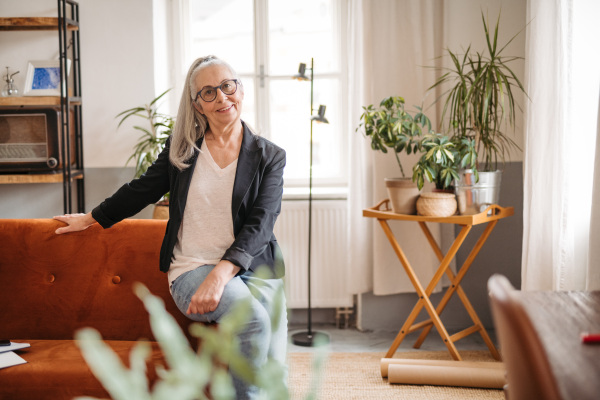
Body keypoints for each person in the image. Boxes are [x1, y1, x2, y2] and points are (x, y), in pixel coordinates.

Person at [54, 55, 288, 399]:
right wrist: (91, 218)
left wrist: (222, 274)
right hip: (192, 268)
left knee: (273, 367)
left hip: (252, 269)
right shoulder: (184, 150)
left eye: (227, 86)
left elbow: (262, 221)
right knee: (251, 319)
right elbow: (142, 189)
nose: (222, 97)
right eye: (208, 92)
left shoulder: (270, 156)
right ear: (197, 105)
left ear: (240, 88)